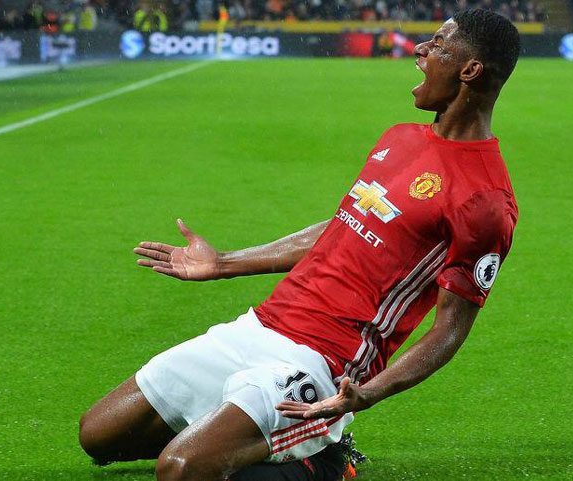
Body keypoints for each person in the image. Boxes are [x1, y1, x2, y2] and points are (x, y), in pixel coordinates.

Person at [79, 8, 521, 481]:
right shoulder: (401, 137)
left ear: (470, 70)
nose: (420, 50)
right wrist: (224, 263)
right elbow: (342, 225)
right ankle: (267, 438)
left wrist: (368, 393)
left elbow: (450, 330)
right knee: (99, 434)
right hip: (265, 323)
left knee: (181, 469)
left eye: (437, 45)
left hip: (325, 360)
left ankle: (325, 457)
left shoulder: (485, 200)